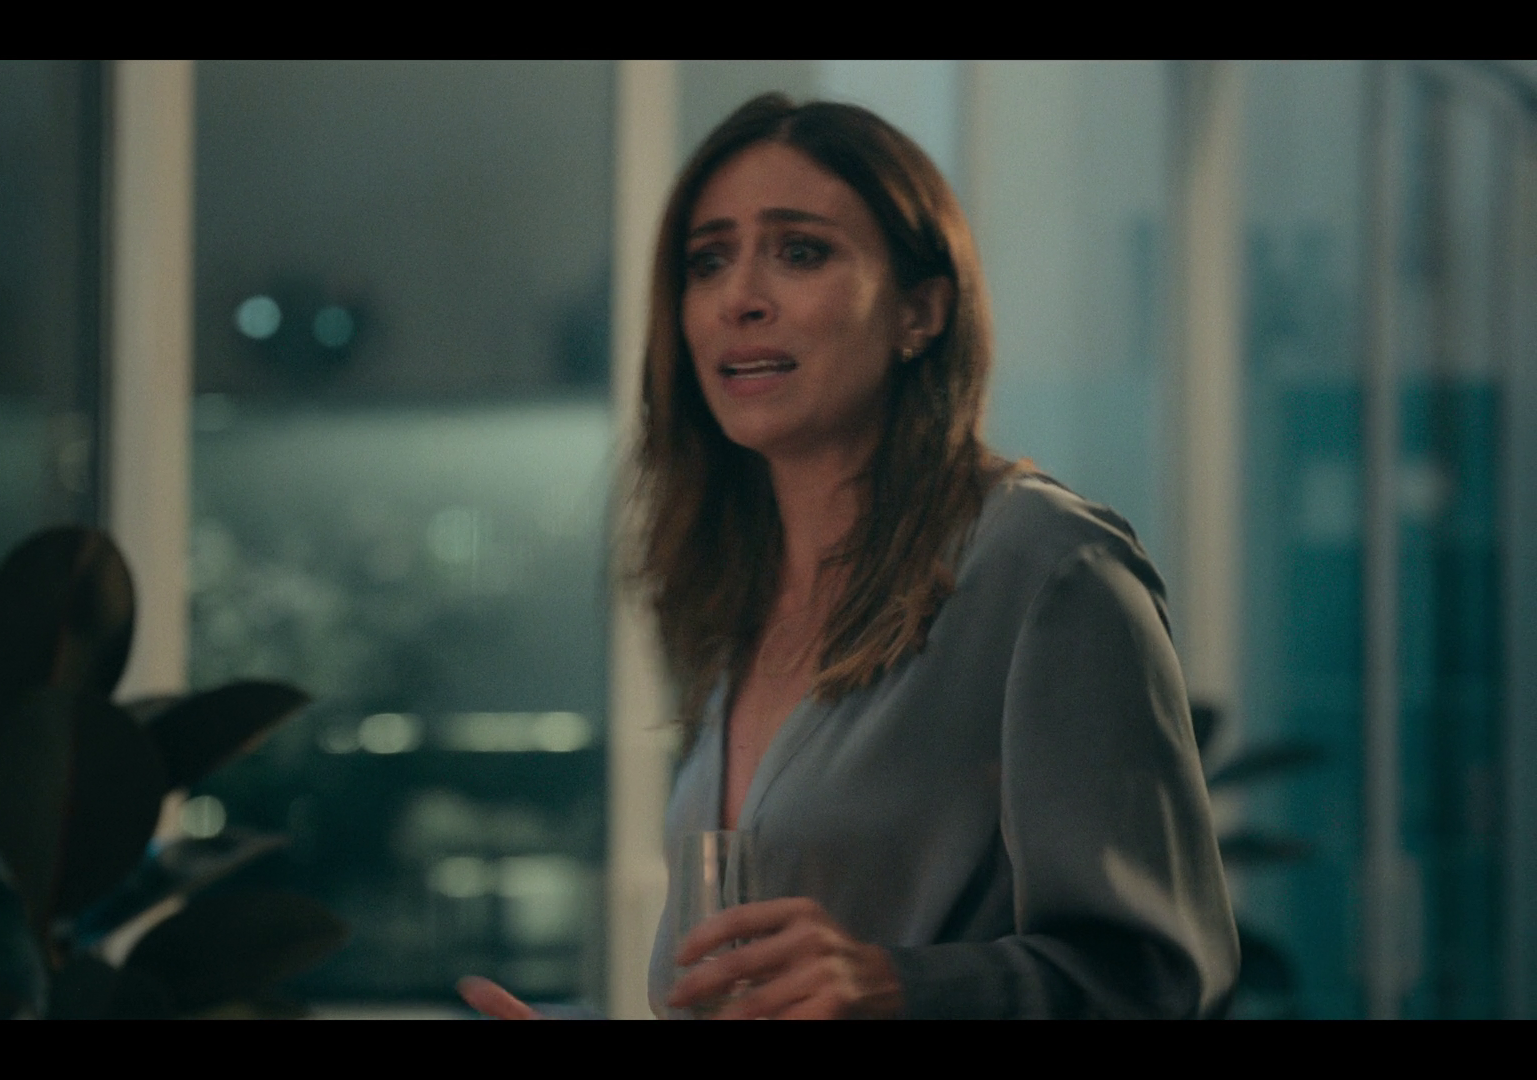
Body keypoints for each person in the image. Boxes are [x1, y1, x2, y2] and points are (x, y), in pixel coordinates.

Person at [463, 93, 1238, 1020]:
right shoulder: (736, 597)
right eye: (708, 261)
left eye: (800, 251)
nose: (740, 298)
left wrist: (901, 987)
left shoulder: (1047, 567)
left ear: (921, 311)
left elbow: (1160, 979)